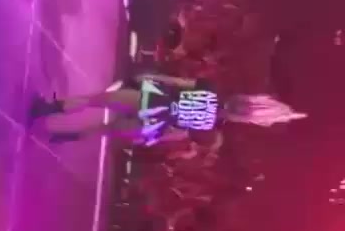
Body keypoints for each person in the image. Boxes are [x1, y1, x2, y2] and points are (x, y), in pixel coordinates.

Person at [28, 75, 306, 145]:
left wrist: (151, 77)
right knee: (104, 130)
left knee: (95, 100)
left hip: (152, 102)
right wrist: (151, 138)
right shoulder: (209, 128)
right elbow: (177, 134)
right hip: (153, 125)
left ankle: (46, 109)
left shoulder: (209, 89)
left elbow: (175, 82)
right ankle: (63, 137)